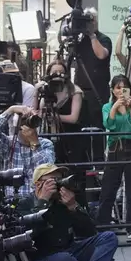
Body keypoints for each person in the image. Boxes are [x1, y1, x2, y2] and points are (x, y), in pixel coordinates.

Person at [29, 163, 121, 261]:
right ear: (38, 185)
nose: (58, 184)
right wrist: (42, 202)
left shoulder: (64, 202)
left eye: (59, 179)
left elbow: (89, 232)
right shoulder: (25, 204)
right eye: (53, 181)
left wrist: (73, 207)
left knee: (109, 237)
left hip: (70, 250)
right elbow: (29, 233)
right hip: (44, 258)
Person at [97, 75, 131, 242]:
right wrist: (115, 108)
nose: (120, 91)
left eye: (124, 87)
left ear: (129, 90)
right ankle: (102, 227)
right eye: (117, 88)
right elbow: (108, 125)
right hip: (115, 148)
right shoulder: (107, 106)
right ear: (112, 90)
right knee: (108, 189)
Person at [34, 59, 89, 205]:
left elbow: (73, 117)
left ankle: (79, 209)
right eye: (53, 73)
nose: (57, 76)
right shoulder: (46, 91)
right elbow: (37, 114)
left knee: (73, 177)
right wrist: (36, 92)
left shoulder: (74, 91)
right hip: (50, 139)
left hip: (71, 140)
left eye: (61, 72)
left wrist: (54, 116)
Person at [0, 105, 55, 211]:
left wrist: (35, 143)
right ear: (17, 127)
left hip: (38, 200)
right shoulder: (9, 143)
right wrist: (11, 110)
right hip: (13, 202)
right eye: (24, 122)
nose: (29, 126)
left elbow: (47, 170)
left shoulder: (45, 144)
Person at [73, 7, 112, 161]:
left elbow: (101, 55)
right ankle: (83, 165)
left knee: (97, 131)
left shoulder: (103, 39)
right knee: (80, 130)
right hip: (80, 91)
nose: (89, 22)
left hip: (98, 91)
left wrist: (91, 35)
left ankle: (99, 166)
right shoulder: (78, 40)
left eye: (92, 19)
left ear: (96, 21)